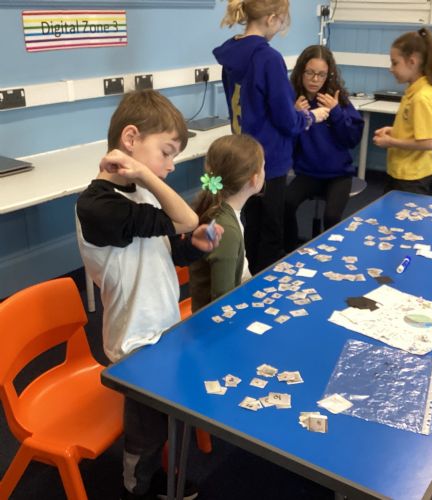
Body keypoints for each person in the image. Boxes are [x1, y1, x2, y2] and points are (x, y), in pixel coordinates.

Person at [75, 89, 222, 500]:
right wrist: (147, 175)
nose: (171, 165)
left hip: (162, 323)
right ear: (131, 139)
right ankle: (136, 486)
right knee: (146, 429)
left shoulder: (139, 193)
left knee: (164, 413)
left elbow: (168, 246)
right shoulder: (96, 206)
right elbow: (186, 218)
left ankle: (156, 475)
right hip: (134, 337)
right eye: (167, 153)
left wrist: (194, 247)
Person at [213, 0, 329, 274]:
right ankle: (264, 286)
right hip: (269, 162)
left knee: (251, 226)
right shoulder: (268, 58)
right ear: (272, 18)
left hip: (244, 154)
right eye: (282, 21)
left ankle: (248, 281)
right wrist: (312, 116)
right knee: (270, 232)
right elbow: (286, 120)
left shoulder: (232, 53)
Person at [284, 45, 364, 252]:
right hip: (308, 173)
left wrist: (336, 112)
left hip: (338, 175)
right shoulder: (294, 100)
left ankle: (329, 256)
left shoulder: (337, 101)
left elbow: (352, 139)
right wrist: (295, 116)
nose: (315, 79)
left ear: (329, 75)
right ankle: (289, 252)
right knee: (286, 204)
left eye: (321, 74)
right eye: (310, 73)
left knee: (332, 217)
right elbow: (286, 143)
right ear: (301, 72)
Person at [189, 134, 265, 312]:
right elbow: (222, 301)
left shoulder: (224, 211)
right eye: (263, 166)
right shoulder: (226, 229)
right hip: (217, 320)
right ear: (254, 179)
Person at [373, 27, 432, 194]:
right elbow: (415, 129)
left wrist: (390, 142)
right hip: (401, 171)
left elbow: (430, 142)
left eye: (395, 63)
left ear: (412, 62)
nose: (391, 68)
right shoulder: (413, 91)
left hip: (412, 177)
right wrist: (393, 131)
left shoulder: (422, 97)